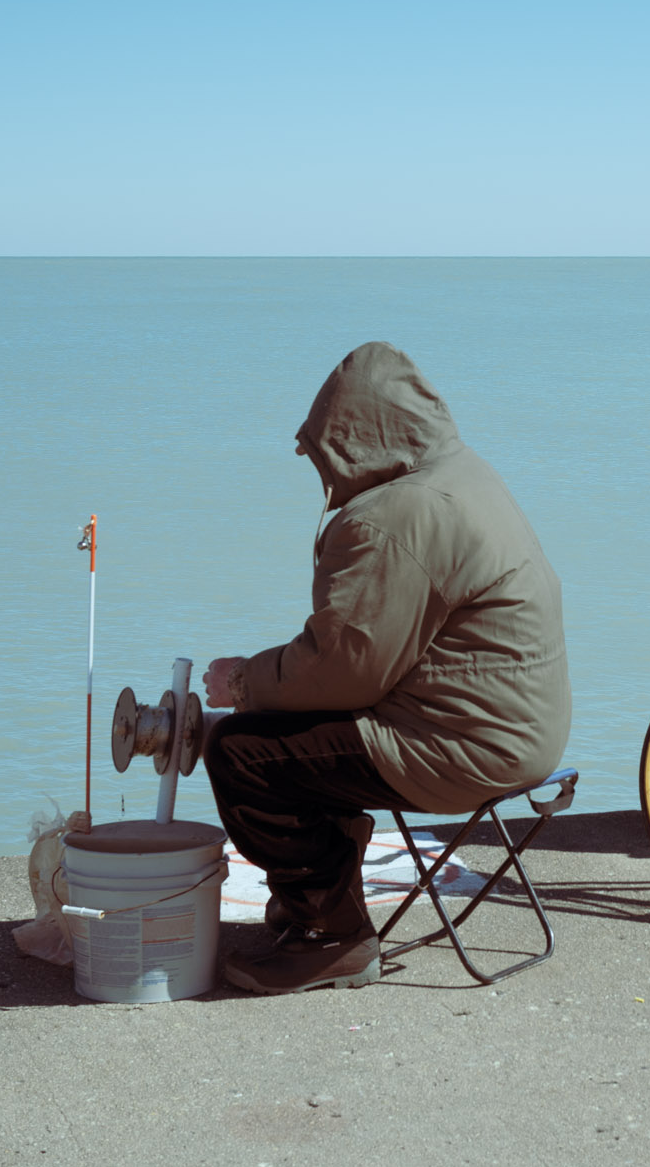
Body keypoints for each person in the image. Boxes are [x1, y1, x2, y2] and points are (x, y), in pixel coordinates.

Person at [200, 342, 571, 996]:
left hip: (467, 747)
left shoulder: (392, 518)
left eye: (323, 457)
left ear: (351, 442)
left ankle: (333, 936)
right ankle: (319, 893)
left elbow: (342, 673)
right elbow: (363, 660)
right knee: (308, 737)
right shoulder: (462, 474)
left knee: (239, 754)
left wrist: (244, 683)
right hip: (524, 731)